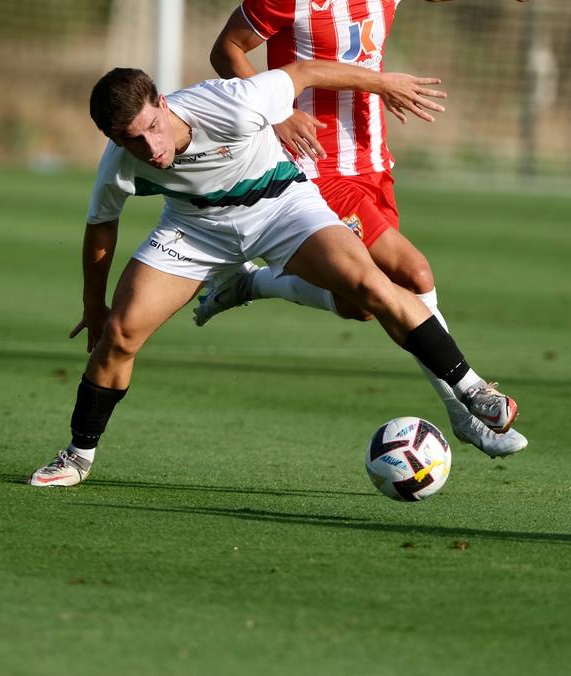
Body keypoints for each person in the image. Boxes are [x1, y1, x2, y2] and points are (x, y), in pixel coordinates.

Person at [196, 0, 551, 457]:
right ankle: (466, 409)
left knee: (365, 306)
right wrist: (276, 112)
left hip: (372, 162)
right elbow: (225, 47)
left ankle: (252, 285)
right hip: (314, 167)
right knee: (413, 275)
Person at [29, 61, 518, 487]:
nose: (149, 146)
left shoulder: (231, 105)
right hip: (196, 229)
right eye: (129, 139)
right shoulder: (118, 162)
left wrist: (380, 83)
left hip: (281, 208)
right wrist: (94, 305)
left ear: (162, 102)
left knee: (370, 290)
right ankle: (78, 455)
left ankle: (473, 388)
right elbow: (101, 230)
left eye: (152, 127)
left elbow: (303, 71)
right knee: (119, 333)